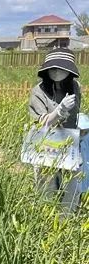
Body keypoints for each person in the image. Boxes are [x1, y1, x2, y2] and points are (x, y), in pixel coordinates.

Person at [27, 49, 82, 210]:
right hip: (46, 145)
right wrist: (58, 112)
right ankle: (45, 220)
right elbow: (40, 122)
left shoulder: (75, 87)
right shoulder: (39, 91)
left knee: (72, 185)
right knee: (47, 186)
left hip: (69, 143)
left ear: (70, 71)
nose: (57, 72)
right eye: (53, 68)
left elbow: (75, 114)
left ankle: (66, 221)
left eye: (62, 69)